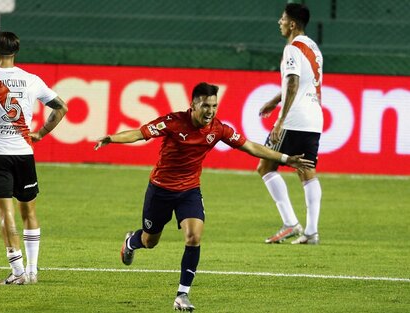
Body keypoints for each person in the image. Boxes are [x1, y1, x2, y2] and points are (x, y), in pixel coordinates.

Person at [94, 82, 314, 311]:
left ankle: (182, 295)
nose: (210, 111)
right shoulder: (173, 121)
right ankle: (131, 241)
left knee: (193, 237)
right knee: (150, 241)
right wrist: (112, 138)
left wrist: (286, 159)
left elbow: (249, 146)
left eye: (214, 106)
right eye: (205, 105)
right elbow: (140, 133)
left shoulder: (218, 129)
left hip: (189, 190)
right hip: (160, 189)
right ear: (193, 105)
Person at [0, 31, 68, 285]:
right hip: (23, 153)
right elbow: (61, 107)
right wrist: (40, 133)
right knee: (29, 210)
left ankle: (17, 271)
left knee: (5, 214)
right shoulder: (31, 79)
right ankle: (33, 271)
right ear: (15, 52)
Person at [257, 3, 323, 245]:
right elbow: (303, 83)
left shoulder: (293, 49)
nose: (279, 22)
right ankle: (311, 232)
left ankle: (290, 223)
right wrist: (275, 100)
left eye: (283, 18)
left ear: (293, 23)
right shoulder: (313, 47)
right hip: (314, 117)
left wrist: (280, 120)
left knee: (265, 167)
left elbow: (293, 83)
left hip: (294, 119)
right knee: (306, 172)